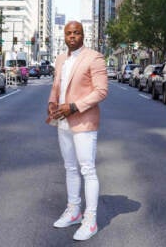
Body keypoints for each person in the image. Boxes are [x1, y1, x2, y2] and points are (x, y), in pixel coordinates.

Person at [46, 21, 108, 241]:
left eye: (76, 33)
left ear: (83, 35)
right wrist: (52, 103)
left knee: (87, 169)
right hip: (62, 122)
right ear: (64, 36)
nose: (72, 36)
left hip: (83, 121)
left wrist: (73, 106)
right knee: (70, 168)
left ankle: (90, 221)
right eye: (69, 33)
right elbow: (57, 85)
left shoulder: (94, 57)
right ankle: (74, 211)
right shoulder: (61, 58)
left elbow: (101, 91)